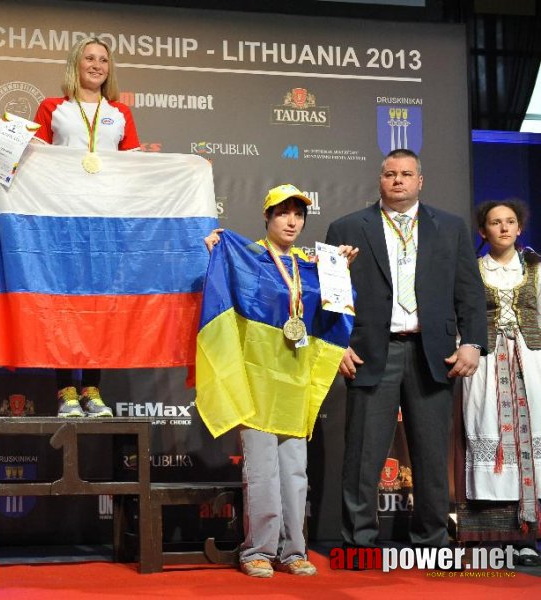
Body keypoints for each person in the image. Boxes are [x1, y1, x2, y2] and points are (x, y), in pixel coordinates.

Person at [325, 148, 487, 552]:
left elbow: (469, 291)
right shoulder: (346, 227)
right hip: (369, 351)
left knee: (432, 457)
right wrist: (335, 345)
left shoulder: (449, 228)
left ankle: (431, 542)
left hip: (432, 353)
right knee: (363, 456)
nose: (398, 180)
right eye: (390, 174)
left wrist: (472, 343)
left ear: (420, 181)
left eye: (406, 174)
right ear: (380, 180)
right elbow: (330, 296)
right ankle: (359, 544)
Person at [0, 37, 139, 419]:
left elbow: (135, 168)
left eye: (103, 59)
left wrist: (185, 172)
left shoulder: (120, 113)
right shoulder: (54, 108)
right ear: (76, 64)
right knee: (64, 303)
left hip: (105, 222)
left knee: (99, 305)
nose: (97, 65)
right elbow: (29, 159)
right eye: (89, 58)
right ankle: (66, 391)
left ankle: (93, 390)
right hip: (62, 221)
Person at [204, 184, 357, 578]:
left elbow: (331, 312)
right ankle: (257, 550)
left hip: (295, 379)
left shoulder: (312, 263)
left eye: (299, 214)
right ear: (267, 218)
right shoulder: (250, 256)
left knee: (294, 472)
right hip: (257, 379)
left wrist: (339, 269)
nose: (292, 221)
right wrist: (214, 253)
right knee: (261, 471)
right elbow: (225, 287)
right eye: (283, 213)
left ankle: (294, 550)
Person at [458, 200, 540, 565]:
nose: (504, 228)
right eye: (495, 222)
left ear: (519, 228)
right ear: (483, 231)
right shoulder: (472, 270)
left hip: (533, 361)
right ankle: (493, 536)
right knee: (488, 430)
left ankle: (529, 533)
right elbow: (459, 314)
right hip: (487, 362)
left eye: (510, 222)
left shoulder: (537, 269)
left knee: (531, 434)